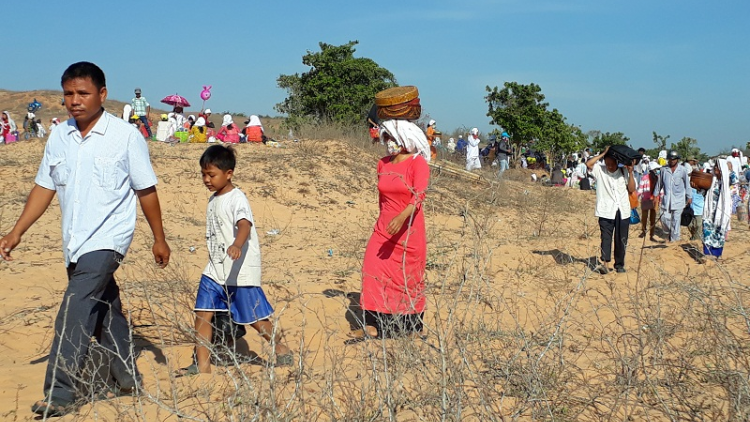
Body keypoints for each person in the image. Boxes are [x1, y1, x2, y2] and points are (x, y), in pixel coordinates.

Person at [0, 62, 170, 416]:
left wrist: (159, 238)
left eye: (83, 93)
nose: (74, 101)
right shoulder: (59, 135)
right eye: (68, 94)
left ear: (102, 95)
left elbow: (147, 190)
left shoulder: (125, 136)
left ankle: (59, 393)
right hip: (74, 242)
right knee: (105, 313)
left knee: (75, 308)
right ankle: (126, 379)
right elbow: (44, 188)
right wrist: (16, 231)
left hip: (109, 240)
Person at [177, 145, 292, 375]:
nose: (206, 179)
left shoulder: (237, 198)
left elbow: (244, 225)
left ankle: (281, 347)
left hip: (239, 271)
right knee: (203, 312)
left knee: (254, 318)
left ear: (228, 173)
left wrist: (237, 245)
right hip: (215, 270)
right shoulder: (212, 200)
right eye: (203, 174)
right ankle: (203, 367)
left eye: (211, 175)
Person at [350, 119, 430, 340]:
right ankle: (372, 324)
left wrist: (402, 217)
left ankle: (413, 326)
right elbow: (382, 197)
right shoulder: (382, 164)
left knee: (408, 276)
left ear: (404, 140)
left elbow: (418, 196)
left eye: (392, 139)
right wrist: (385, 220)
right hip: (383, 228)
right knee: (372, 270)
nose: (388, 143)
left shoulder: (417, 163)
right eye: (386, 138)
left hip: (408, 230)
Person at [586, 146, 636, 273]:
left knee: (621, 238)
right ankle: (605, 263)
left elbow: (631, 189)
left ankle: (619, 265)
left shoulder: (623, 172)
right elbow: (589, 163)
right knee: (606, 238)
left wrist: (631, 172)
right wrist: (603, 153)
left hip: (622, 211)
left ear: (617, 163)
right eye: (607, 164)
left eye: (612, 164)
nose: (609, 166)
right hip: (605, 211)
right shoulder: (600, 170)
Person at [657, 150, 692, 242]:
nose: (671, 161)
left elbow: (687, 184)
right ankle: (669, 233)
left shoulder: (683, 170)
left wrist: (689, 197)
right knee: (664, 218)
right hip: (667, 199)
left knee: (676, 221)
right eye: (670, 159)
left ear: (677, 160)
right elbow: (659, 184)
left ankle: (674, 241)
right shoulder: (663, 170)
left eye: (673, 159)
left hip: (679, 199)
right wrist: (655, 195)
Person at [701, 159, 732, 261]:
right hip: (710, 211)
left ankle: (717, 254)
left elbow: (727, 200)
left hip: (720, 213)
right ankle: (707, 254)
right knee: (707, 231)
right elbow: (703, 191)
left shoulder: (725, 182)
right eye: (715, 167)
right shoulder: (711, 180)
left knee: (719, 233)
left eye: (717, 167)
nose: (715, 168)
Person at [638, 162, 661, 241]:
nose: (657, 171)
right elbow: (641, 189)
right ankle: (646, 231)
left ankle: (650, 233)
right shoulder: (646, 178)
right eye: (656, 169)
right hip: (648, 199)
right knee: (648, 217)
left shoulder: (657, 178)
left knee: (651, 217)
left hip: (652, 199)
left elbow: (660, 190)